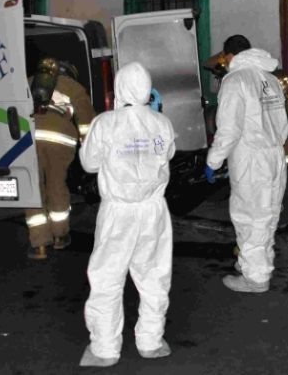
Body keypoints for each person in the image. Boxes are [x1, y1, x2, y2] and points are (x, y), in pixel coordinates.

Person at [79, 61, 176, 367]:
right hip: (153, 211)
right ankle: (151, 341)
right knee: (154, 276)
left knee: (107, 277)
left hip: (118, 212)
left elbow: (89, 163)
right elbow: (167, 153)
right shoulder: (162, 124)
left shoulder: (105, 124)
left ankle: (105, 348)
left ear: (119, 88)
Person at [204, 35, 288, 293]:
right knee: (267, 215)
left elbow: (228, 129)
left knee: (249, 217)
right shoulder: (270, 79)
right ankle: (256, 263)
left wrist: (213, 160)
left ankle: (255, 278)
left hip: (251, 158)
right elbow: (282, 123)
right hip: (275, 155)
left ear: (230, 55)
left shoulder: (235, 80)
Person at [26, 58, 95, 260]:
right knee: (56, 185)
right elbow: (86, 119)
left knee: (33, 188)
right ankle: (60, 236)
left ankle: (39, 244)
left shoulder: (29, 81)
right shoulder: (74, 87)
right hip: (60, 140)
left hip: (29, 139)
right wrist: (87, 143)